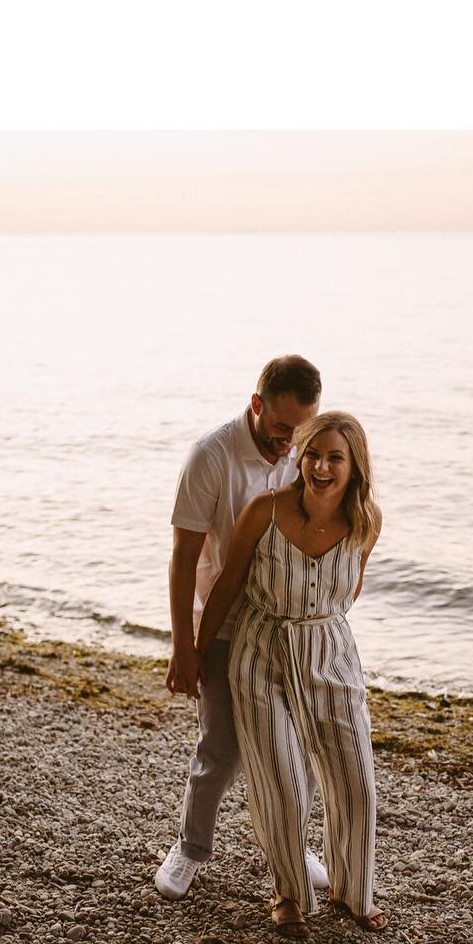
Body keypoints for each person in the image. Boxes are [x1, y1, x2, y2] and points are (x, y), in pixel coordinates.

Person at [194, 412, 386, 938]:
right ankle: (289, 893)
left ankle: (354, 891)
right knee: (283, 782)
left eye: (335, 457)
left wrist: (319, 623)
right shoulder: (265, 510)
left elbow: (350, 591)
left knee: (356, 781)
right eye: (313, 455)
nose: (321, 466)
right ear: (300, 458)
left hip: (331, 654)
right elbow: (227, 584)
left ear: (355, 466)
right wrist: (195, 655)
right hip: (262, 652)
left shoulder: (367, 521)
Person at [155, 355, 332, 900]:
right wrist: (183, 649)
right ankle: (188, 849)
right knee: (223, 748)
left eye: (300, 431)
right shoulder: (211, 456)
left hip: (285, 627)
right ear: (257, 406)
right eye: (281, 429)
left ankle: (292, 844)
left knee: (292, 744)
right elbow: (184, 557)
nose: (290, 444)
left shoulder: (304, 452)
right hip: (225, 624)